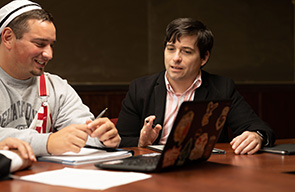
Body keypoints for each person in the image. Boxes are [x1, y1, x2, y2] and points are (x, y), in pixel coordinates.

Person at [116, 17, 275, 155]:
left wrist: (256, 136)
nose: (176, 58)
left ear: (204, 58)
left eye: (186, 52)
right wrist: (142, 142)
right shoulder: (141, 88)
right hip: (153, 170)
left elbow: (259, 127)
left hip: (203, 169)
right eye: (171, 49)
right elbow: (120, 140)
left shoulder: (221, 88)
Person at [0, 0, 121, 156]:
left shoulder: (57, 88)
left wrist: (102, 137)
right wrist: (48, 142)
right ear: (8, 37)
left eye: (51, 45)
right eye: (40, 44)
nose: (49, 55)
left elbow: (85, 130)